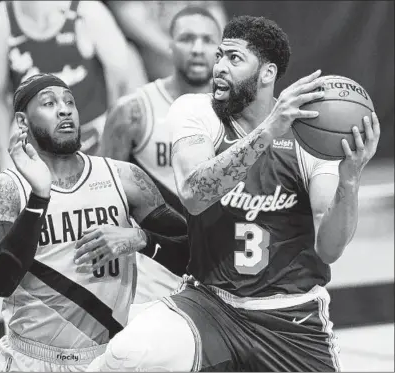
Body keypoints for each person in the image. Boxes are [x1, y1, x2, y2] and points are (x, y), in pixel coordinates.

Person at [86, 15, 381, 372]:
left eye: (235, 59)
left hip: (291, 318)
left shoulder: (310, 138)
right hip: (210, 304)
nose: (220, 67)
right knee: (125, 356)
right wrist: (269, 131)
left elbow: (330, 249)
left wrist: (349, 180)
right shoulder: (197, 111)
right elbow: (195, 194)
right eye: (220, 56)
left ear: (268, 73)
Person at [0, 73, 188, 372]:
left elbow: (189, 252)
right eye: (49, 103)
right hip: (31, 360)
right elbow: (0, 280)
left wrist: (141, 239)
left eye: (70, 102)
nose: (64, 109)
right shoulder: (3, 190)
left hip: (109, 357)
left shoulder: (125, 178)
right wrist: (39, 197)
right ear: (23, 122)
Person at [101, 6, 221, 305]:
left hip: (223, 269)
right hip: (154, 276)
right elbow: (103, 195)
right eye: (186, 39)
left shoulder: (239, 111)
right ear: (169, 44)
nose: (197, 49)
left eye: (207, 40)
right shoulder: (134, 112)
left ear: (221, 49)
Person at [0, 0, 139, 173]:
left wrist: (115, 150)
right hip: (38, 152)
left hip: (94, 140)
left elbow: (127, 80)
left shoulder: (88, 12)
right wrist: (6, 163)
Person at [105, 1, 227, 81]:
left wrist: (218, 44)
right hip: (154, 62)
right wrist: (173, 48)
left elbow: (212, 6)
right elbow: (129, 16)